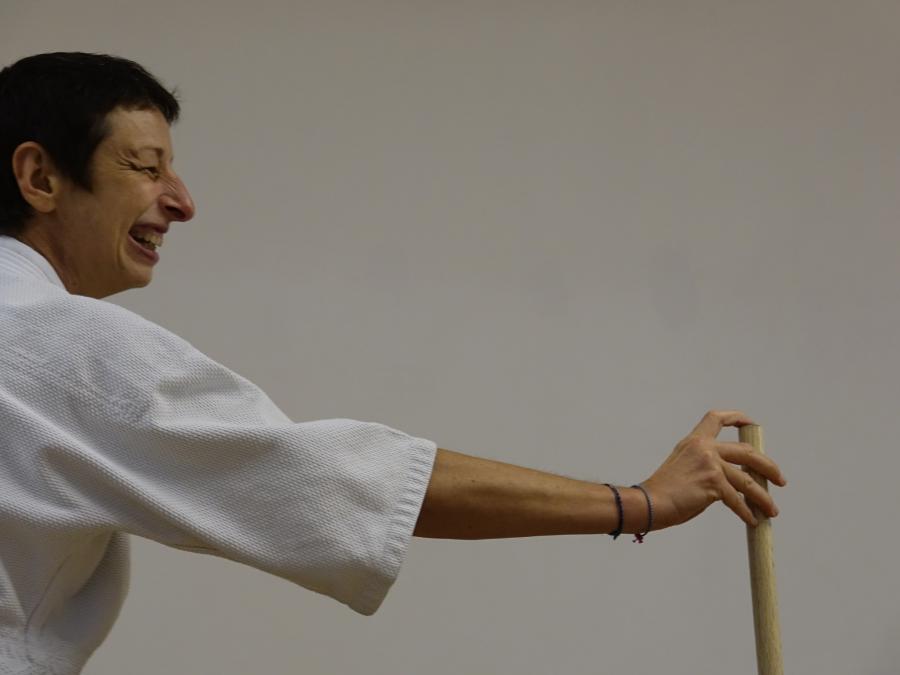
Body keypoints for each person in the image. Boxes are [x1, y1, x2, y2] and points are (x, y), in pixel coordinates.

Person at [0, 52, 786, 674]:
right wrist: (640, 501)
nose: (182, 200)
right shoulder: (55, 346)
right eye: (146, 167)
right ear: (40, 177)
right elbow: (329, 478)